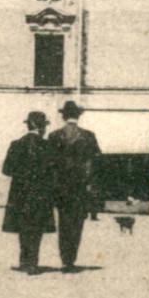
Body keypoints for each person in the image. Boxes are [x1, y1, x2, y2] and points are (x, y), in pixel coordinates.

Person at [1, 111, 57, 273]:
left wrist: (21, 175)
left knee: (23, 226)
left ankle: (24, 261)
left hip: (20, 193)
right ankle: (33, 261)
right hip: (40, 193)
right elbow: (53, 170)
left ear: (28, 125)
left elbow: (6, 170)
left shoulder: (16, 144)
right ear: (41, 127)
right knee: (37, 227)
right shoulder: (47, 146)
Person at [48, 101, 100, 271]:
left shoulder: (55, 136)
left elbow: (51, 164)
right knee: (77, 223)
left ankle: (65, 258)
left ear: (63, 116)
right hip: (80, 187)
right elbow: (95, 162)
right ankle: (71, 258)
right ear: (78, 116)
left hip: (61, 187)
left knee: (64, 222)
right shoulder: (89, 136)